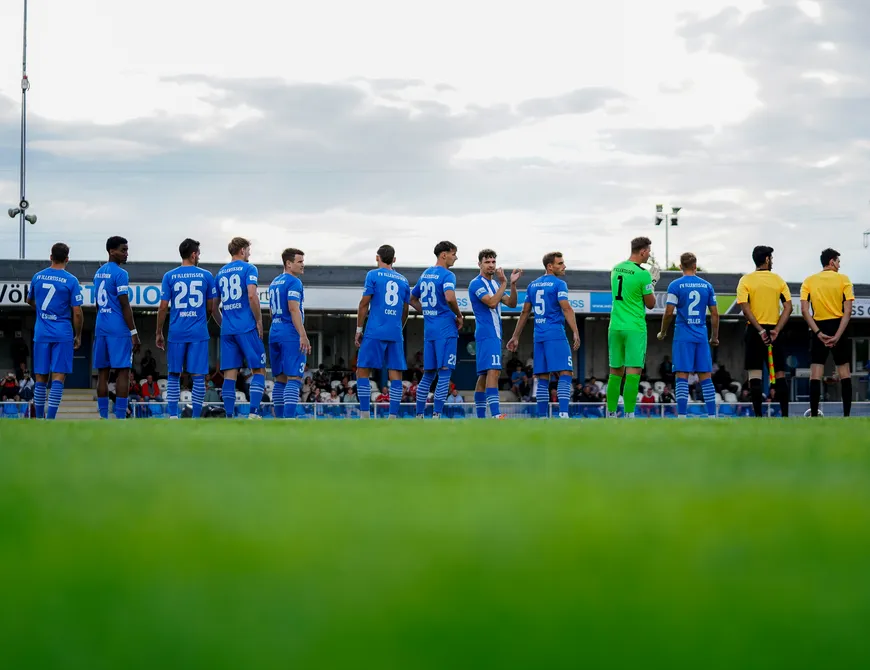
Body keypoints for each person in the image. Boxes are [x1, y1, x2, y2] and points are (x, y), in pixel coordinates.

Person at [507, 251, 581, 418]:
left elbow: (525, 312)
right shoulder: (559, 284)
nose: (564, 266)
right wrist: (575, 331)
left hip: (538, 336)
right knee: (565, 372)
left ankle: (541, 416)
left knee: (542, 377)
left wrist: (516, 336)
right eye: (560, 263)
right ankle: (563, 414)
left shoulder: (532, 285)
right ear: (550, 266)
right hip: (555, 334)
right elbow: (566, 308)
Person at [155, 238, 218, 419]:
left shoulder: (169, 276)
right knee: (198, 376)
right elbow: (210, 308)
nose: (199, 256)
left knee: (174, 374)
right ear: (193, 254)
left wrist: (159, 332)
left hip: (176, 332)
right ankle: (196, 416)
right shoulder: (206, 275)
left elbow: (163, 307)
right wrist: (200, 322)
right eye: (198, 253)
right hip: (198, 332)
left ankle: (173, 416)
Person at [657, 252, 720, 418]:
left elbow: (669, 312)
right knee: (705, 376)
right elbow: (715, 314)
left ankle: (682, 416)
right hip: (701, 335)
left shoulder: (675, 285)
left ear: (680, 267)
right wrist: (714, 337)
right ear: (695, 266)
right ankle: (712, 416)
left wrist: (663, 331)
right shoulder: (707, 286)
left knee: (682, 375)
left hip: (683, 335)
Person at [25, 243, 84, 419]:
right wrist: (78, 335)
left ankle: (39, 418)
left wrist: (44, 312)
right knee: (58, 376)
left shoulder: (37, 276)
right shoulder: (71, 280)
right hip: (63, 333)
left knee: (41, 376)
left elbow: (29, 300)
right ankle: (50, 419)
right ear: (67, 259)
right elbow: (78, 312)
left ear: (50, 257)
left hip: (41, 333)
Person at [736, 245, 792, 418]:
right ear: (767, 259)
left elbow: (745, 309)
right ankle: (784, 416)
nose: (772, 261)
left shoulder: (745, 280)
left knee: (755, 375)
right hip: (775, 331)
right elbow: (788, 307)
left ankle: (758, 417)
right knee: (780, 374)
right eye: (771, 258)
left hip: (754, 331)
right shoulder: (778, 280)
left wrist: (759, 330)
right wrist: (776, 330)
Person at [354, 244, 410, 419]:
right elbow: (405, 309)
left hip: (375, 330)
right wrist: (398, 328)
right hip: (394, 331)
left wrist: (359, 329)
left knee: (363, 369)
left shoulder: (372, 275)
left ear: (377, 257)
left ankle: (364, 414)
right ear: (394, 260)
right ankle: (392, 416)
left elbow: (364, 303)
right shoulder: (403, 280)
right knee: (396, 374)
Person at [606, 237, 659, 418]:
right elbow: (651, 304)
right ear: (642, 251)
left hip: (615, 326)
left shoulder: (615, 268)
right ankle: (629, 414)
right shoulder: (643, 273)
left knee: (615, 372)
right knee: (633, 372)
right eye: (648, 251)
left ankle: (611, 413)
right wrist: (652, 283)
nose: (649, 254)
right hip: (634, 327)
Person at [410, 241, 463, 418]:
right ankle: (437, 415)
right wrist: (459, 315)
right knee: (445, 373)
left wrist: (427, 312)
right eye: (453, 253)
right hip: (446, 330)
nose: (456, 257)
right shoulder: (448, 275)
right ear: (443, 255)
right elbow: (449, 297)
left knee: (428, 375)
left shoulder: (425, 274)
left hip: (430, 331)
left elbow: (412, 298)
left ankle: (419, 415)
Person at [214, 237, 266, 419]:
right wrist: (259, 320)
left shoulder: (220, 273)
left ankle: (229, 416)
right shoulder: (249, 268)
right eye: (248, 250)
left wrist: (224, 324)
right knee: (259, 370)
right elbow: (252, 296)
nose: (249, 254)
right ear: (242, 250)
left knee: (230, 374)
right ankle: (253, 413)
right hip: (246, 327)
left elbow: (213, 307)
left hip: (228, 329)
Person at [800, 247, 854, 417]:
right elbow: (848, 311)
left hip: (819, 327)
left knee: (815, 373)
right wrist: (838, 335)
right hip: (839, 326)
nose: (839, 265)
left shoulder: (809, 280)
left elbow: (804, 310)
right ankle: (846, 416)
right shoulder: (844, 279)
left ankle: (814, 415)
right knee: (844, 372)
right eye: (838, 261)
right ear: (831, 261)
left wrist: (817, 333)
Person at [468, 249, 522, 419]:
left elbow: (512, 303)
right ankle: (496, 414)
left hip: (494, 334)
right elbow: (492, 303)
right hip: (486, 333)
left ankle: (482, 417)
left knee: (484, 375)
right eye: (487, 262)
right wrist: (504, 283)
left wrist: (512, 284)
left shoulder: (495, 285)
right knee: (493, 371)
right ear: (479, 264)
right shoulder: (476, 284)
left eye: (493, 262)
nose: (491, 265)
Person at [93, 236, 141, 420]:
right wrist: (134, 333)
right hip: (118, 328)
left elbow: (97, 304)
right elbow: (124, 304)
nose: (126, 253)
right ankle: (121, 417)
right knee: (123, 371)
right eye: (123, 249)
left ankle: (104, 417)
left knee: (102, 373)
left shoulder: (98, 273)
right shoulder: (121, 273)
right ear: (111, 251)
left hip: (101, 326)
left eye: (127, 249)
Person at [267, 248, 311, 420]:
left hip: (275, 331)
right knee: (294, 378)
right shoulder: (294, 282)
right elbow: (293, 309)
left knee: (280, 379)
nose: (302, 265)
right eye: (299, 261)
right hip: (290, 333)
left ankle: (279, 420)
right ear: (288, 263)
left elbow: (271, 311)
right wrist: (303, 334)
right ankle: (289, 419)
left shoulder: (274, 282)